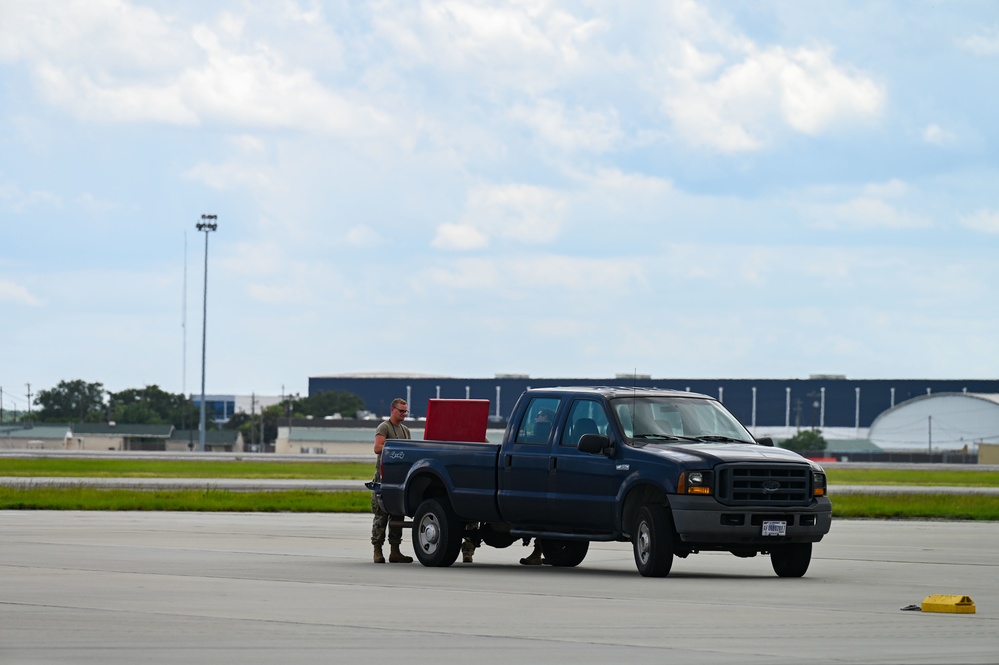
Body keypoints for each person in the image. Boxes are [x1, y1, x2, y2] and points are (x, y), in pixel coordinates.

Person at [371, 398, 414, 564]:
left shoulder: (405, 431)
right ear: (393, 410)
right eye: (401, 411)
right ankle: (377, 550)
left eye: (405, 412)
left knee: (398, 515)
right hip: (384, 478)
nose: (403, 414)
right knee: (381, 515)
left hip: (399, 478)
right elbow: (377, 448)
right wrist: (396, 447)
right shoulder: (384, 427)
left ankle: (395, 551)